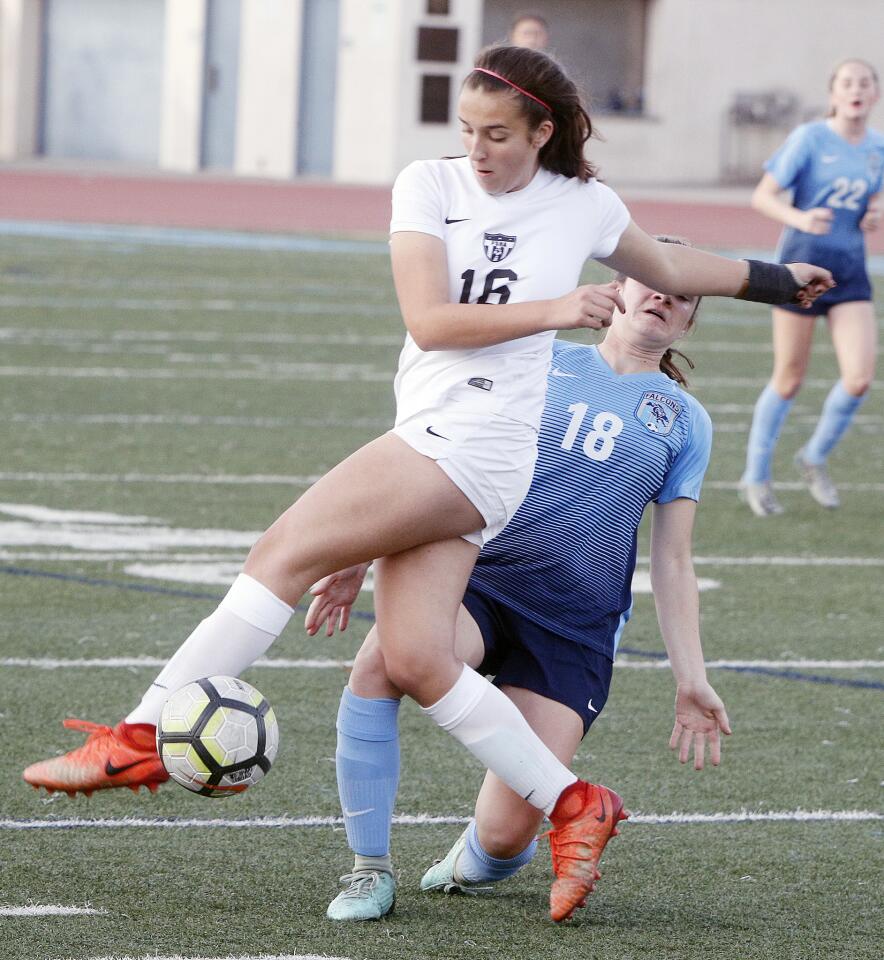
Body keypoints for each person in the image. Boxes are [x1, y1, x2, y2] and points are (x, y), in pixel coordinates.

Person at [23, 45, 830, 923]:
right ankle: (573, 805)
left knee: (279, 554)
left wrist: (782, 281)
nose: (478, 150)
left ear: (543, 134)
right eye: (468, 131)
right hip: (436, 434)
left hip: (479, 444)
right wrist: (557, 309)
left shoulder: (584, 205)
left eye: (498, 135)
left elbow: (674, 269)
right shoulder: (430, 185)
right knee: (411, 657)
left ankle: (139, 736)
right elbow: (430, 322)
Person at [312, 239, 731, 922]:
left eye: (680, 295)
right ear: (616, 292)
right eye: (649, 283)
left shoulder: (685, 422)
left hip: (573, 624)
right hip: (479, 582)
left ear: (688, 322)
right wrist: (359, 550)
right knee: (382, 663)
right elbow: (429, 451)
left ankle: (480, 860)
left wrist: (691, 678)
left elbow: (675, 562)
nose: (661, 297)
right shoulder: (539, 361)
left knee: (505, 835)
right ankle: (368, 869)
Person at [740, 58, 883, 516]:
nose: (856, 90)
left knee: (859, 378)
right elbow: (763, 195)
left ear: (875, 93)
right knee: (789, 379)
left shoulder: (878, 148)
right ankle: (756, 475)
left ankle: (814, 456)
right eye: (847, 83)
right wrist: (802, 217)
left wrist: (875, 214)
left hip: (851, 272)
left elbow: (872, 203)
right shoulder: (810, 138)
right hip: (801, 268)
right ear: (833, 94)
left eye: (864, 83)